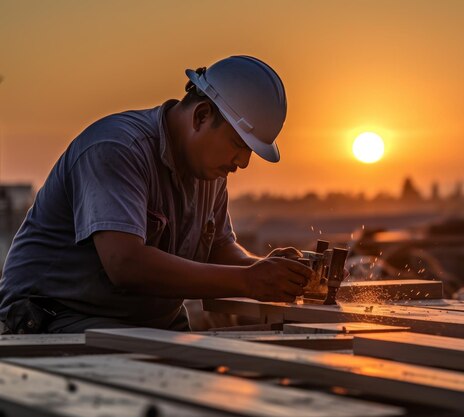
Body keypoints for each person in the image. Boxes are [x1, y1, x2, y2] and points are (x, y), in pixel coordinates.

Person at [0, 55, 313, 334]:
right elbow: (126, 264)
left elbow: (218, 249)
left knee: (205, 377)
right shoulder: (117, 149)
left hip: (146, 323)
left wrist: (264, 269)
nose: (243, 163)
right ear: (202, 116)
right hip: (56, 316)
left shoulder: (209, 171)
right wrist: (248, 281)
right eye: (239, 145)